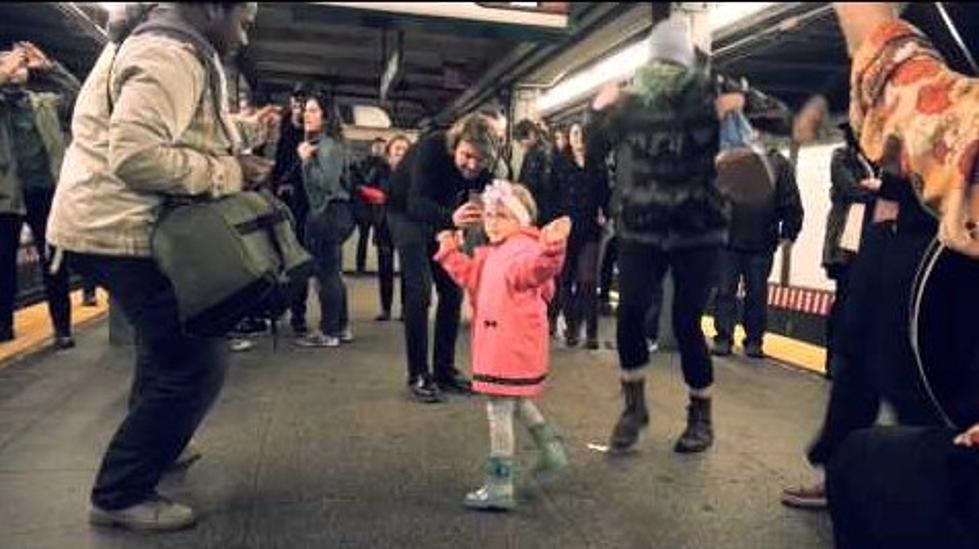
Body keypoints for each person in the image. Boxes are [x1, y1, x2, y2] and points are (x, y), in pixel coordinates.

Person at [46, 2, 277, 531]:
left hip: (101, 222)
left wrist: (241, 133)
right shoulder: (168, 52)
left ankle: (159, 443)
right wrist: (228, 173)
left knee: (163, 348)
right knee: (195, 360)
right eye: (243, 22)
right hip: (118, 228)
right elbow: (137, 156)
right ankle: (120, 492)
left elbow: (183, 126)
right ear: (213, 8)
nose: (243, 36)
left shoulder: (168, 42)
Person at [586, 11, 729, 455]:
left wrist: (742, 104)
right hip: (643, 227)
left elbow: (777, 116)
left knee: (686, 323)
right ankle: (634, 407)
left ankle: (700, 417)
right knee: (629, 313)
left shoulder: (712, 90)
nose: (663, 72)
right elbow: (594, 152)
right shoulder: (631, 101)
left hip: (698, 229)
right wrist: (598, 110)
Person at [434, 180, 571, 512]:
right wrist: (451, 250)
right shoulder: (497, 251)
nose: (491, 222)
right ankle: (550, 449)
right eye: (489, 215)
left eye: (502, 215)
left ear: (520, 219)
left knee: (498, 410)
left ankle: (499, 484)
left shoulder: (522, 251)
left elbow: (537, 269)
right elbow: (471, 276)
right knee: (515, 400)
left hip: (508, 344)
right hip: (506, 343)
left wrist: (553, 248)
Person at [386, 113, 497, 403]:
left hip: (440, 215)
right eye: (467, 156)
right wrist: (451, 219)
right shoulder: (432, 148)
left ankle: (444, 369)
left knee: (452, 290)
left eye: (480, 160)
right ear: (455, 145)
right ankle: (418, 374)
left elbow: (491, 193)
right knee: (420, 291)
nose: (472, 166)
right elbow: (416, 202)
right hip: (404, 213)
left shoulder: (482, 164)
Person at [0, 41, 80, 348]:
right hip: (6, 197)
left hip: (44, 192)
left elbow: (78, 95)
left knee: (53, 263)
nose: (16, 67)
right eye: (8, 64)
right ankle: (4, 327)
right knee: (2, 264)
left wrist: (50, 67)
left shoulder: (44, 103)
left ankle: (62, 328)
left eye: (20, 64)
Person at [712, 146, 803, 359]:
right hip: (730, 239)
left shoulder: (779, 164)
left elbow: (790, 201)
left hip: (759, 241)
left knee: (753, 293)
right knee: (734, 292)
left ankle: (751, 340)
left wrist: (790, 231)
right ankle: (727, 338)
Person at [294, 89, 355, 349]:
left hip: (328, 212)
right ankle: (340, 328)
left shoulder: (327, 145)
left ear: (326, 116)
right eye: (305, 110)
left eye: (313, 110)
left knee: (325, 274)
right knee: (333, 274)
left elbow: (326, 184)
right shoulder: (329, 142)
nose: (306, 114)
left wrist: (306, 160)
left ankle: (329, 332)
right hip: (337, 213)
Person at [820, 123, 875, 378]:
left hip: (869, 241)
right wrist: (877, 188)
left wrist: (876, 187)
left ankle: (856, 362)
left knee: (862, 303)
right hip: (846, 242)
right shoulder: (841, 157)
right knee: (844, 302)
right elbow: (851, 189)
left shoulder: (876, 161)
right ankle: (834, 361)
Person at [552, 121, 609, 350]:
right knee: (566, 281)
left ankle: (592, 333)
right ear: (569, 137)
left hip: (590, 230)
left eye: (583, 134)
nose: (579, 138)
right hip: (565, 229)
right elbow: (552, 195)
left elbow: (605, 192)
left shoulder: (598, 165)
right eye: (575, 134)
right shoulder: (559, 164)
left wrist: (606, 213)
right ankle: (572, 329)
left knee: (588, 281)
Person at [272, 82, 311, 337]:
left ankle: (298, 313)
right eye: (295, 103)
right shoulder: (283, 129)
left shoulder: (313, 135)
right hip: (278, 202)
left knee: (298, 258)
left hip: (304, 205)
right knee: (275, 258)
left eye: (303, 105)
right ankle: (275, 309)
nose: (298, 109)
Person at [360, 134, 411, 322]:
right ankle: (386, 309)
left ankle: (406, 309)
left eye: (404, 149)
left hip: (407, 225)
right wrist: (375, 199)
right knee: (385, 268)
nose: (400, 152)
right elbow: (363, 188)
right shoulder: (379, 171)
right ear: (389, 152)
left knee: (408, 269)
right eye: (397, 148)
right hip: (384, 223)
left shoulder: (414, 172)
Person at [352, 137, 386, 275]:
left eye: (381, 147)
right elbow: (363, 182)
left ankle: (379, 267)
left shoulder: (381, 164)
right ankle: (361, 267)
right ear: (372, 147)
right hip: (367, 206)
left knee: (378, 239)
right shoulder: (367, 164)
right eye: (377, 146)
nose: (379, 149)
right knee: (365, 238)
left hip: (377, 205)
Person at [513, 118, 551, 221]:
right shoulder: (531, 152)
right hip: (534, 203)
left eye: (521, 141)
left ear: (531, 134)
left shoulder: (542, 153)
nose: (521, 145)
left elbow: (543, 183)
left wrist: (521, 191)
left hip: (540, 206)